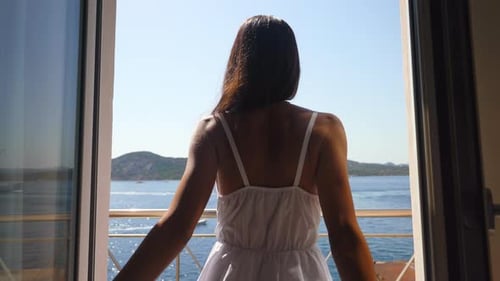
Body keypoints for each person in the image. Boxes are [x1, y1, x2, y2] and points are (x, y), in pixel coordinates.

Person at [114, 15, 376, 281]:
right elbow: (344, 234)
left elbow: (176, 228)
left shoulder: (214, 130)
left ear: (238, 61)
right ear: (291, 64)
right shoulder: (324, 130)